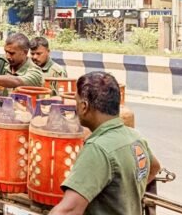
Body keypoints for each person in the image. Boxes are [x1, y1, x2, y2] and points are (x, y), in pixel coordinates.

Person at [49, 72, 161, 215]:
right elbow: (154, 168)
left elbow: (68, 210)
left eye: (76, 102)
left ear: (84, 106)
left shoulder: (97, 149)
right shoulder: (135, 137)